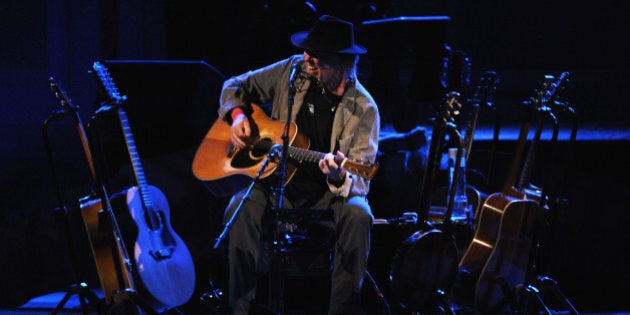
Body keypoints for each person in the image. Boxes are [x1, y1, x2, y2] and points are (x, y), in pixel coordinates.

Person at [217, 15, 380, 315]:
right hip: (279, 184)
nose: (307, 59)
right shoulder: (293, 70)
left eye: (317, 58)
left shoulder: (365, 108)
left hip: (328, 199)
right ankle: (240, 308)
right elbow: (234, 85)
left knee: (359, 215)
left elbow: (361, 179)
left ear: (341, 65)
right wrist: (238, 116)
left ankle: (342, 309)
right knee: (238, 208)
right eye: (307, 53)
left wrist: (339, 174)